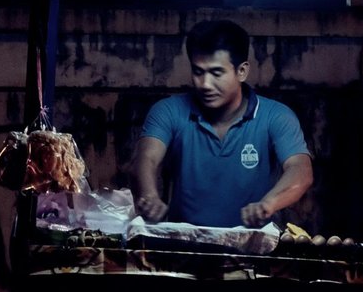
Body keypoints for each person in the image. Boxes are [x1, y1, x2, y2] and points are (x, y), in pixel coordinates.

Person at [131, 19, 313, 228]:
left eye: (216, 73)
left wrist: (268, 204)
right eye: (198, 72)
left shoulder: (276, 116)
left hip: (254, 247)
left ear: (242, 71)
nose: (205, 84)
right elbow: (146, 158)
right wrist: (150, 196)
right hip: (186, 247)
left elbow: (300, 169)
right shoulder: (169, 110)